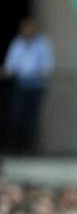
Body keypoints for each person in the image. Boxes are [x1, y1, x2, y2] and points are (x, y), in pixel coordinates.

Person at [2, 17, 54, 151]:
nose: (27, 31)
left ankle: (30, 147)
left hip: (36, 86)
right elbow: (11, 65)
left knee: (31, 119)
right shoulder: (17, 43)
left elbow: (47, 65)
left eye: (29, 28)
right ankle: (15, 146)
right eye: (25, 29)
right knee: (17, 116)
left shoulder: (42, 44)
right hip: (21, 85)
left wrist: (40, 72)